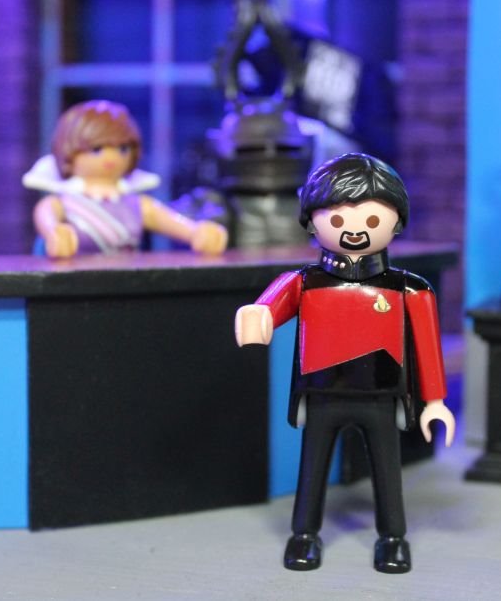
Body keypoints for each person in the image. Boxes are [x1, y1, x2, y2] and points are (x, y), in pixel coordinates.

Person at [235, 153, 455, 574]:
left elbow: (427, 346)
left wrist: (435, 401)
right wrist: (258, 315)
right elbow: (270, 305)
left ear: (397, 221)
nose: (355, 230)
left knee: (387, 472)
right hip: (322, 394)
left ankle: (393, 538)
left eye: (371, 220)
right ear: (311, 223)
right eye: (337, 219)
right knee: (312, 468)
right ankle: (304, 534)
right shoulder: (304, 282)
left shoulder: (410, 289)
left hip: (382, 396)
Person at [24, 100, 227, 257]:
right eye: (97, 149)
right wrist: (54, 233)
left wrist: (195, 232)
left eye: (122, 148)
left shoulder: (134, 203)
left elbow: (163, 218)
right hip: (75, 281)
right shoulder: (65, 202)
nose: (111, 157)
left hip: (126, 279)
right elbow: (46, 215)